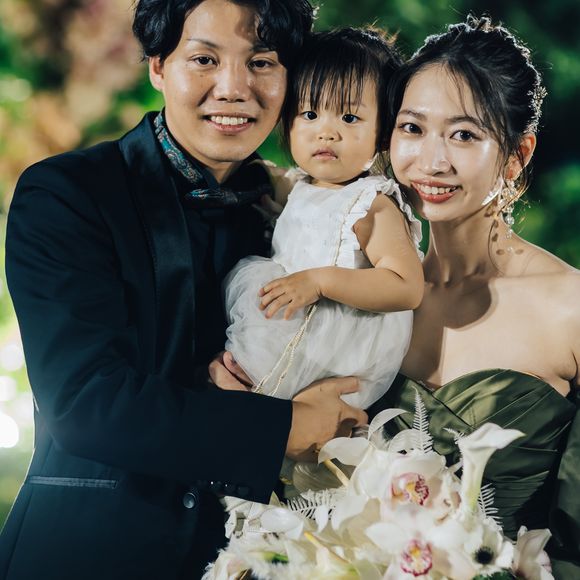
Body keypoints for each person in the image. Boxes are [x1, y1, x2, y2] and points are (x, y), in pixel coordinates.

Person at [0, 1, 369, 579]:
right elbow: (85, 403)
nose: (234, 88)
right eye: (204, 59)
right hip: (88, 556)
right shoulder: (68, 194)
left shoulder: (299, 213)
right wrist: (283, 427)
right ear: (157, 65)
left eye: (262, 63)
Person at [370, 16, 580, 578]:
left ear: (516, 154)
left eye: (463, 135)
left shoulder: (570, 306)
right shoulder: (368, 295)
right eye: (412, 128)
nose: (431, 160)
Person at [222, 28, 424, 410]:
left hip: (336, 353)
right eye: (310, 114)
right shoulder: (302, 187)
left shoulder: (371, 203)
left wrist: (321, 281)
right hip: (295, 335)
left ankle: (260, 390)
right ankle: (252, 384)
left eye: (349, 117)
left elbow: (406, 287)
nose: (326, 132)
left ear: (384, 133)